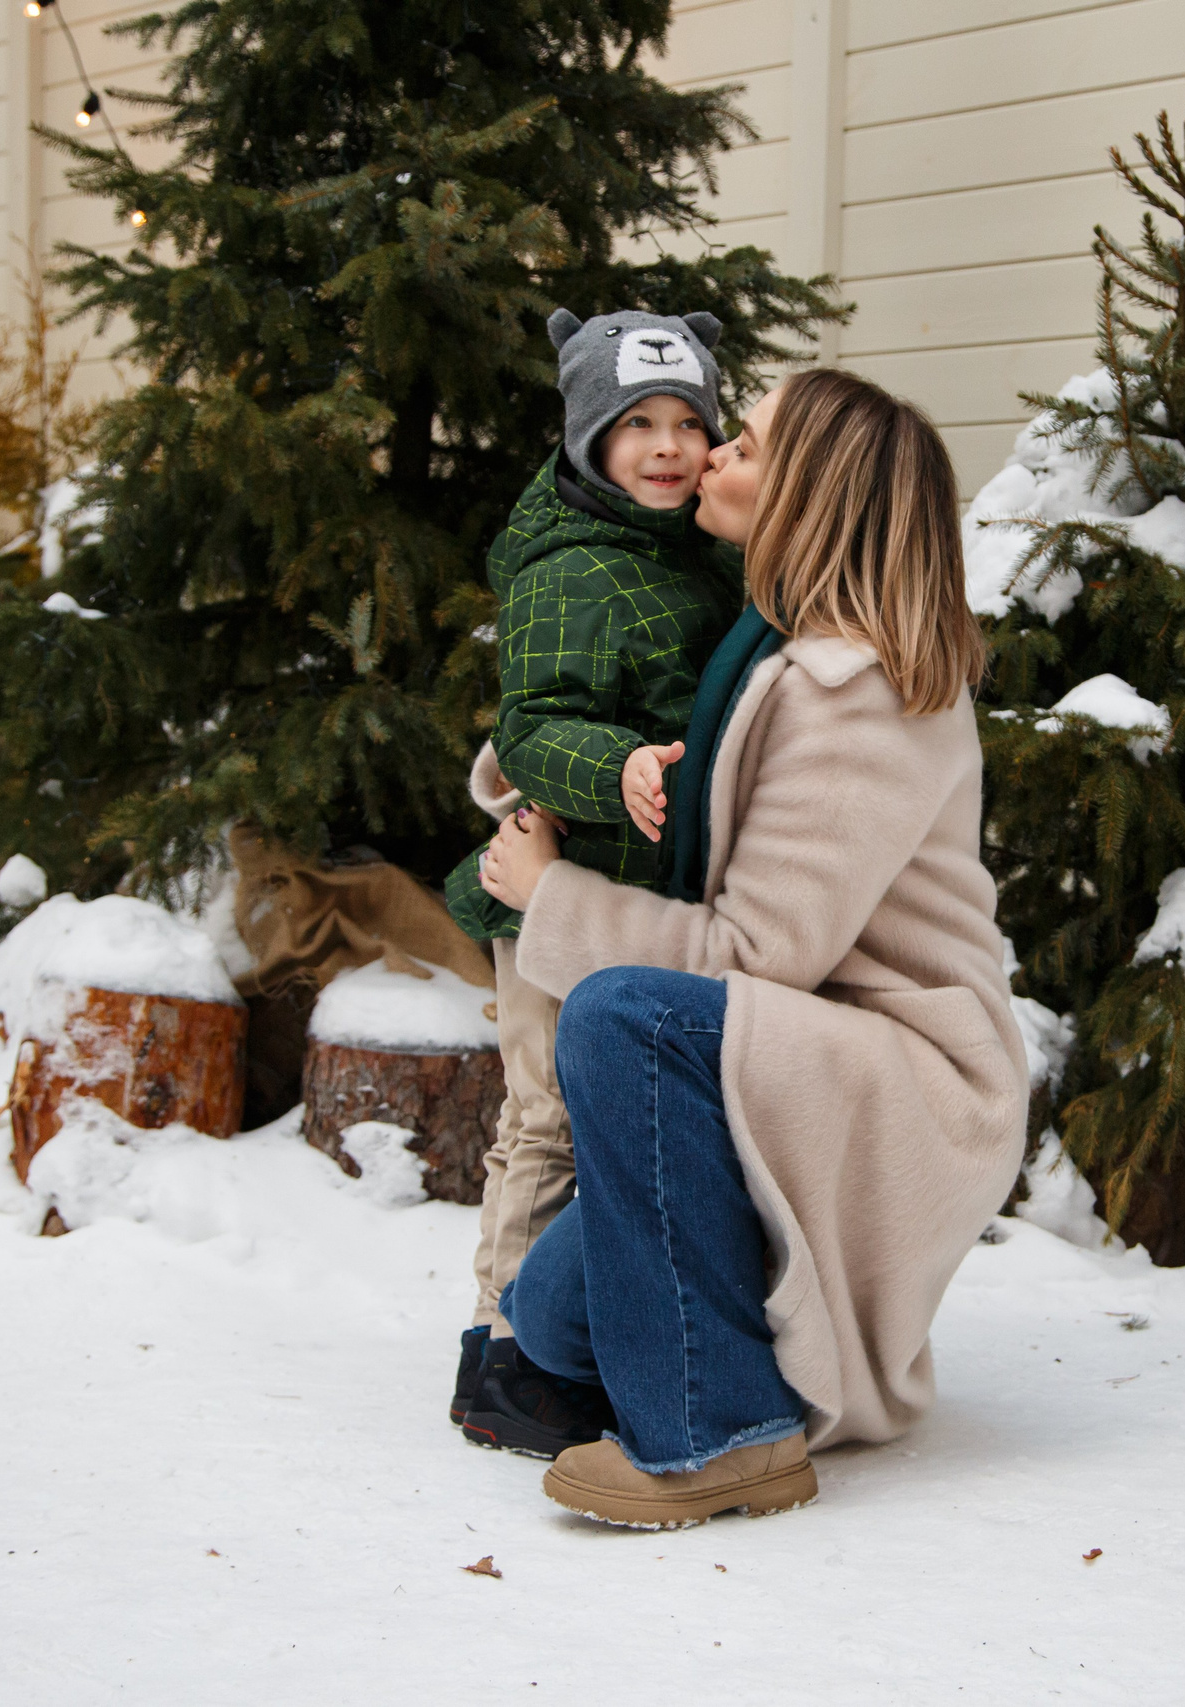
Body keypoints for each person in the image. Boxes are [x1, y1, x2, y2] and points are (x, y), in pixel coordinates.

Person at [477, 368, 1029, 1528]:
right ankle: (732, 1345)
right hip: (798, 1048)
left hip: (900, 1068)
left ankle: (719, 1431)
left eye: (747, 444)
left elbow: (756, 953)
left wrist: (549, 898)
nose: (713, 453)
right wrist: (540, 771)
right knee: (552, 1319)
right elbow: (677, 774)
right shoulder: (771, 648)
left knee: (623, 1015)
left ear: (808, 495)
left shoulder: (859, 693)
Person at [441, 308, 748, 1457]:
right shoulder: (570, 570)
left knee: (617, 1113)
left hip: (635, 900)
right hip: (553, 887)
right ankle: (501, 1351)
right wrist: (613, 768)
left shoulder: (697, 552)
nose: (667, 446)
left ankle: (582, 1329)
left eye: (688, 422)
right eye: (637, 424)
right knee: (549, 1115)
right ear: (587, 437)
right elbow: (532, 725)